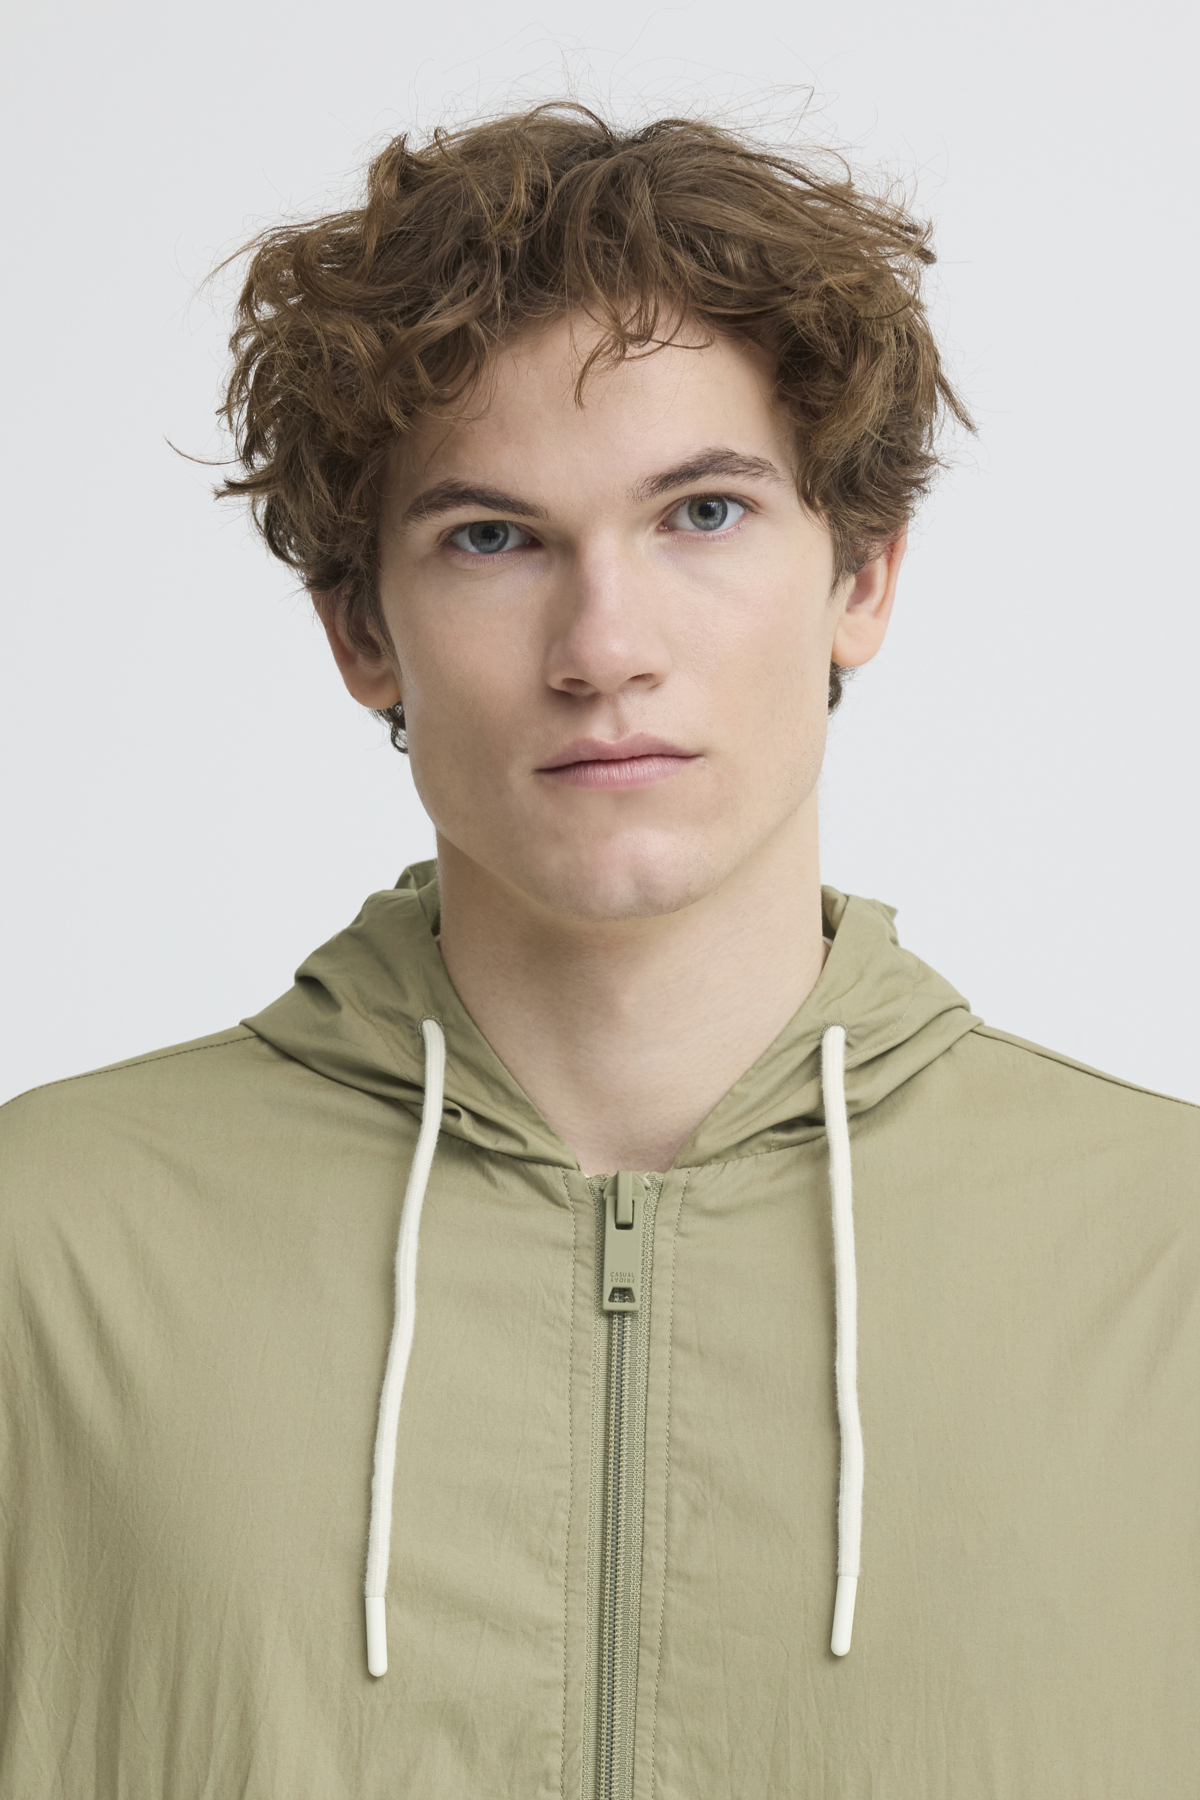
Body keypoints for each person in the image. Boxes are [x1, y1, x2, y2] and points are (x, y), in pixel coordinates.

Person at [1, 103, 1196, 1800]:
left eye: (702, 513)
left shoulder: (1164, 1257)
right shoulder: (45, 1248)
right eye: (492, 538)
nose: (605, 647)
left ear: (862, 578)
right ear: (361, 633)